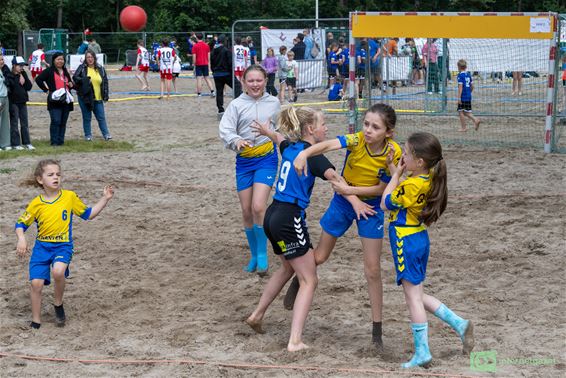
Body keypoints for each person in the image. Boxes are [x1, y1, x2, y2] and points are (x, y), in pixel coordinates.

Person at [245, 106, 373, 351]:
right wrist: (356, 202)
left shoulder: (291, 148)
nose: (326, 128)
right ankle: (294, 340)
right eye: (323, 124)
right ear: (310, 129)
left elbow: (278, 138)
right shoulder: (314, 156)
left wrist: (266, 131)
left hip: (273, 214)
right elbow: (336, 179)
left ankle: (257, 315)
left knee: (286, 268)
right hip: (289, 217)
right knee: (309, 279)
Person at [285, 103, 402, 351]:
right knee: (319, 256)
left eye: (375, 127)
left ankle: (376, 333)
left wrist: (352, 191)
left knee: (372, 270)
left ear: (388, 132)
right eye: (366, 124)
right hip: (343, 202)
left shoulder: (393, 152)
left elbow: (384, 189)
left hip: (370, 208)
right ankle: (300, 278)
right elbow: (327, 145)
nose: (368, 130)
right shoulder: (357, 140)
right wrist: (305, 153)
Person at [380, 132, 474, 368]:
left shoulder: (411, 183)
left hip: (405, 240)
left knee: (412, 299)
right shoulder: (427, 179)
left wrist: (396, 174)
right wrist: (395, 168)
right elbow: (403, 190)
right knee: (418, 295)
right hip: (419, 237)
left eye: (406, 153)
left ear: (419, 161)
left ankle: (422, 352)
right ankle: (459, 323)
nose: (402, 154)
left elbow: (386, 201)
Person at [15, 159, 114, 329]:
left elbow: (88, 214)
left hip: (63, 246)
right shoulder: (36, 203)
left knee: (58, 271)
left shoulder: (69, 197)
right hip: (41, 248)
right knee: (36, 284)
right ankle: (36, 321)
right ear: (40, 180)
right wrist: (21, 238)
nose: (56, 177)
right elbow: (20, 224)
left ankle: (58, 304)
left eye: (58, 174)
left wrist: (105, 199)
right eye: (51, 174)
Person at [218, 65, 281, 274]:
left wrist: (275, 136)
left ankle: (263, 254)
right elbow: (225, 129)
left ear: (265, 81)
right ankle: (254, 255)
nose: (255, 84)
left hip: (267, 159)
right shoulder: (236, 105)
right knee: (246, 211)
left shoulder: (274, 103)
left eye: (259, 80)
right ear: (243, 82)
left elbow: (282, 130)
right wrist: (236, 140)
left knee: (258, 207)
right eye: (251, 81)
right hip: (244, 162)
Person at [35, 52, 74, 146]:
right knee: (56, 121)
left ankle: (61, 141)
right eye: (58, 59)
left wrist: (71, 85)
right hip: (54, 100)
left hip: (66, 100)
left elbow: (70, 84)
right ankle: (54, 142)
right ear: (54, 60)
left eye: (62, 59)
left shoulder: (65, 71)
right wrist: (46, 90)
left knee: (63, 122)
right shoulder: (49, 71)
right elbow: (38, 79)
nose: (60, 61)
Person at [73, 50, 112, 141]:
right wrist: (84, 80)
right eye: (88, 57)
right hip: (85, 97)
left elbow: (105, 82)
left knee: (101, 117)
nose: (90, 59)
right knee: (87, 117)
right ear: (85, 59)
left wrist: (105, 95)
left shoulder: (100, 68)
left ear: (94, 58)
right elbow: (75, 78)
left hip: (98, 98)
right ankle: (88, 135)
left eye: (91, 57)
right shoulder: (82, 67)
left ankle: (106, 135)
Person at [7, 57, 34, 150]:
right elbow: (11, 87)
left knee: (24, 124)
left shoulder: (23, 74)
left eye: (23, 65)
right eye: (20, 65)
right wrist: (17, 76)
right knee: (14, 124)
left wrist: (25, 78)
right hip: (13, 102)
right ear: (14, 66)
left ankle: (27, 142)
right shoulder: (9, 75)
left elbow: (29, 87)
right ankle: (15, 143)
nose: (22, 67)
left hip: (23, 102)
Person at [210, 34, 233, 117]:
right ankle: (239, 105)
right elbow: (230, 63)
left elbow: (212, 64)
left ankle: (220, 109)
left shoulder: (213, 51)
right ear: (224, 41)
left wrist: (214, 72)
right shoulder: (226, 50)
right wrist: (231, 73)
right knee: (237, 86)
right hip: (226, 73)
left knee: (219, 91)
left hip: (217, 74)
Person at [456, 59, 481, 132]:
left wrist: (459, 98)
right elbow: (472, 86)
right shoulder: (468, 75)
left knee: (460, 111)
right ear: (466, 67)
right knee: (467, 112)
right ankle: (475, 120)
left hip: (463, 96)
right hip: (468, 96)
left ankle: (464, 127)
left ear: (459, 67)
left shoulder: (460, 76)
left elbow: (460, 87)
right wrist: (469, 92)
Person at [192, 33, 215, 97]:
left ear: (196, 38)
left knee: (199, 78)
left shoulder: (195, 46)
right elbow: (208, 56)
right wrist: (209, 64)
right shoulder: (206, 45)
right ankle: (212, 91)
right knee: (207, 78)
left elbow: (194, 57)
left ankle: (199, 93)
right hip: (205, 63)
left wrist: (194, 65)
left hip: (198, 64)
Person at [0, 55, 10, 150]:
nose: (2, 61)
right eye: (0, 60)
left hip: (5, 97)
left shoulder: (4, 70)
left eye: (2, 59)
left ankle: (5, 144)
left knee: (5, 122)